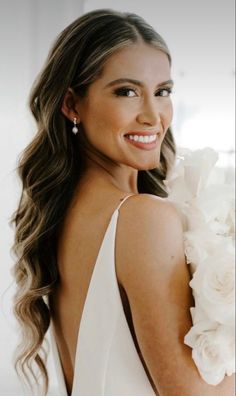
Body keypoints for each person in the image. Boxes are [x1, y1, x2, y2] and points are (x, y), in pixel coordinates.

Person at [11, 8, 235, 396]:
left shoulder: (65, 217)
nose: (153, 116)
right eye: (127, 92)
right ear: (71, 104)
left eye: (162, 92)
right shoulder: (142, 219)